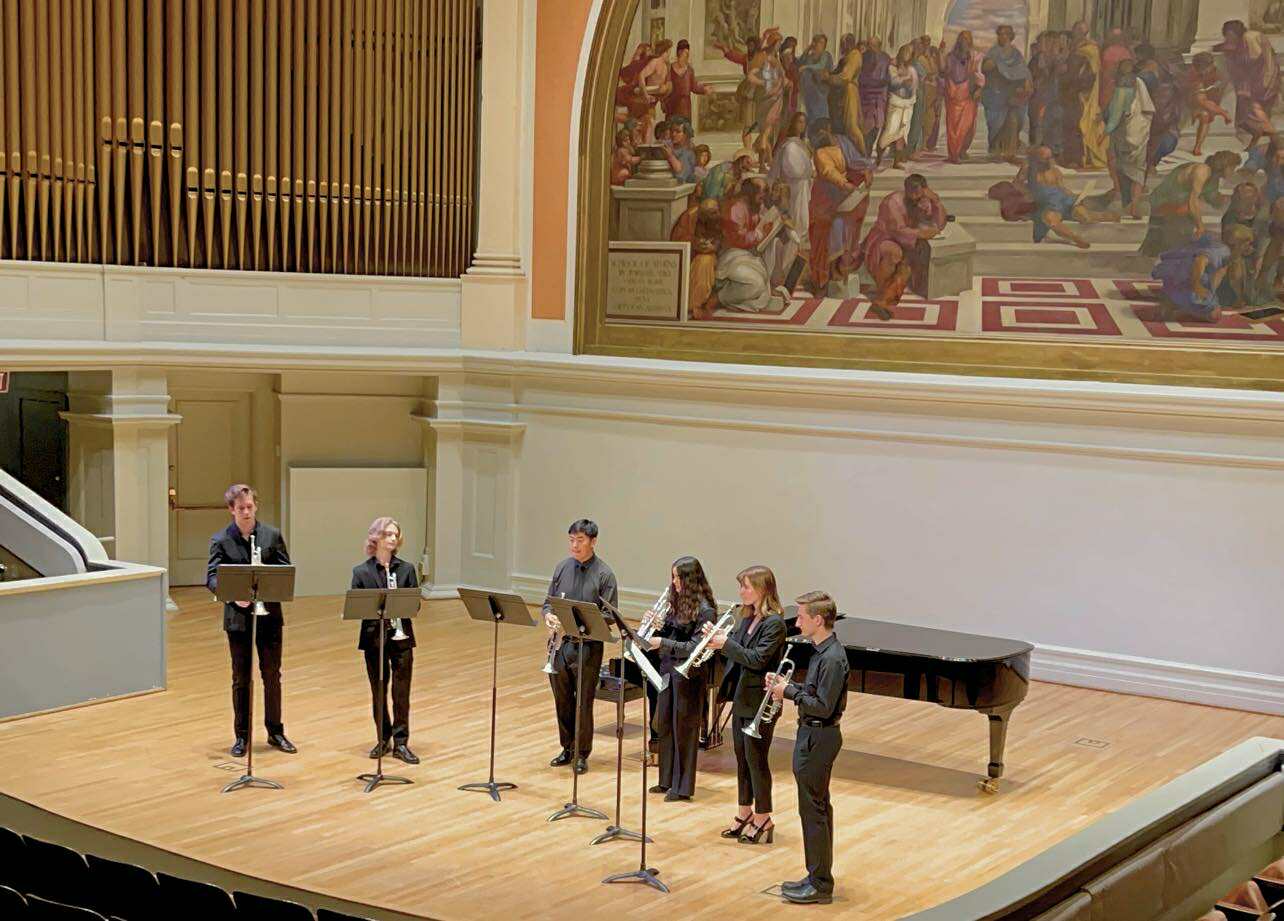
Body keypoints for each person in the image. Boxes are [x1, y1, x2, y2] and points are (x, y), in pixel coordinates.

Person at [768, 591, 849, 906]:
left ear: (817, 619)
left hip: (819, 737)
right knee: (815, 808)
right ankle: (816, 875)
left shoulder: (831, 658)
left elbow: (823, 706)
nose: (797, 622)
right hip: (812, 735)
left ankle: (820, 884)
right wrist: (789, 687)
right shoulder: (821, 652)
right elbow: (815, 692)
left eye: (801, 617)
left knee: (813, 811)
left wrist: (789, 692)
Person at [206, 484, 296, 757]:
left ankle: (275, 732)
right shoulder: (221, 540)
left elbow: (284, 571)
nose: (246, 512)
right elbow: (212, 578)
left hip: (269, 617)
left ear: (255, 506)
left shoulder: (272, 536)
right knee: (241, 678)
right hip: (239, 618)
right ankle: (242, 736)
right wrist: (234, 596)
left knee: (272, 675)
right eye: (240, 508)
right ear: (231, 510)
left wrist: (267, 580)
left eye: (250, 506)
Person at [704, 565, 786, 844]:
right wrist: (716, 641)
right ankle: (744, 811)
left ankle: (763, 817)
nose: (741, 591)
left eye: (746, 587)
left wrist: (726, 643)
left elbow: (757, 659)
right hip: (742, 697)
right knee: (742, 758)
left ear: (762, 589)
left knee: (756, 759)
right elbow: (735, 654)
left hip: (760, 701)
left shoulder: (774, 624)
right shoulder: (747, 616)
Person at [543, 519, 619, 775]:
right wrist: (549, 615)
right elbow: (548, 602)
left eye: (580, 540)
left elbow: (609, 616)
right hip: (560, 646)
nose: (574, 545)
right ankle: (567, 747)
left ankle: (581, 753)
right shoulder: (562, 568)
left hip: (588, 648)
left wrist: (577, 623)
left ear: (593, 541)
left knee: (582, 703)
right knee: (562, 699)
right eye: (571, 540)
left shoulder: (605, 575)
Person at [644, 556, 717, 801]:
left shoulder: (705, 610)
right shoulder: (677, 602)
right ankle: (666, 780)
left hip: (689, 676)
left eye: (677, 577)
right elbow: (672, 633)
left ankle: (683, 787)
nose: (673, 582)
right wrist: (658, 626)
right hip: (668, 669)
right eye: (673, 576)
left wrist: (662, 642)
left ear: (689, 580)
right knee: (665, 724)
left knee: (684, 730)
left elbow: (694, 647)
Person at [350, 517, 419, 764]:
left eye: (395, 535)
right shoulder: (361, 572)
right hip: (374, 639)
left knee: (401, 692)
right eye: (388, 534)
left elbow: (415, 605)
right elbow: (358, 608)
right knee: (378, 690)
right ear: (376, 537)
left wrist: (398, 603)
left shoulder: (407, 569)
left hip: (401, 638)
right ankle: (383, 738)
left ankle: (401, 743)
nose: (392, 538)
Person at [861, 173, 947, 317]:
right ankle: (881, 295)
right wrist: (920, 233)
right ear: (906, 190)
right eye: (912, 194)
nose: (915, 198)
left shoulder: (923, 200)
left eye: (919, 195)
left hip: (907, 241)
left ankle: (882, 301)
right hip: (883, 239)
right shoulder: (892, 202)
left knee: (906, 268)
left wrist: (936, 202)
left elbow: (939, 224)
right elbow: (897, 231)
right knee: (895, 253)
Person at [1140, 151, 1239, 256]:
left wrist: (1225, 199)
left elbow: (1212, 197)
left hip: (1178, 207)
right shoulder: (1202, 171)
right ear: (1224, 165)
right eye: (1232, 168)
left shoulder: (1213, 178)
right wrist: (1200, 226)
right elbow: (1193, 202)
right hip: (1165, 202)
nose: (1233, 172)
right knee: (1185, 218)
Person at [1215, 19, 1281, 149]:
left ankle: (1274, 141)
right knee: (1245, 117)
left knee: (1255, 109)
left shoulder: (1250, 38)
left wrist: (1247, 87)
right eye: (1227, 35)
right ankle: (1262, 138)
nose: (1229, 38)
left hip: (1264, 79)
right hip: (1255, 80)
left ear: (1237, 33)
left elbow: (1254, 60)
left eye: (1231, 35)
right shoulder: (1240, 41)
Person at [1104, 60, 1154, 219]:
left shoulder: (1122, 88)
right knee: (1138, 169)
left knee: (1116, 162)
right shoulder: (1139, 84)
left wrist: (1104, 132)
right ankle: (1134, 204)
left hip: (1124, 132)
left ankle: (1120, 195)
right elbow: (1148, 110)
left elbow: (1115, 116)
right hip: (1140, 131)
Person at [981, 25, 1031, 163]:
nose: (1002, 37)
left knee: (1013, 122)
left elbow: (1024, 71)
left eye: (1005, 34)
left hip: (1012, 94)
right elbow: (985, 68)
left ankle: (1010, 152)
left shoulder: (1016, 54)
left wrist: (1024, 84)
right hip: (996, 94)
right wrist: (992, 65)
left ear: (1010, 36)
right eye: (1000, 34)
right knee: (997, 124)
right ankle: (996, 151)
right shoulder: (994, 52)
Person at [943, 30, 983, 163]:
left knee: (967, 125)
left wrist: (978, 88)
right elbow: (947, 74)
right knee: (954, 126)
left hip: (969, 94)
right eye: (962, 40)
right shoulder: (950, 57)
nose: (964, 42)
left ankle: (962, 150)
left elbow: (978, 74)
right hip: (954, 94)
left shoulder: (974, 57)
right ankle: (954, 154)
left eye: (966, 40)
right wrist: (951, 88)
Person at [877, 44, 920, 169]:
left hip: (907, 104)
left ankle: (896, 161)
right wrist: (904, 80)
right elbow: (893, 82)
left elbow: (914, 85)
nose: (907, 55)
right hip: (896, 103)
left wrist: (909, 85)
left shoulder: (911, 69)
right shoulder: (892, 67)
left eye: (910, 53)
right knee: (890, 131)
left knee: (902, 133)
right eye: (906, 52)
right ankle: (879, 158)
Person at [1188, 52, 1231, 157]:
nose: (1203, 71)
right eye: (1200, 68)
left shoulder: (1216, 73)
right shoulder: (1194, 75)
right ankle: (1197, 147)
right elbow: (1200, 100)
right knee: (1204, 113)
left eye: (1205, 68)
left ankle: (1198, 146)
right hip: (1193, 102)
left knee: (1206, 113)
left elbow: (1220, 85)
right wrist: (1223, 113)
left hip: (1210, 101)